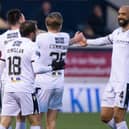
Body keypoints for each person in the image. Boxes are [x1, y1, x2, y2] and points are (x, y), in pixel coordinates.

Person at [78, 5, 129, 129]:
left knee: (118, 117)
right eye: (119, 14)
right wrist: (87, 42)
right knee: (105, 117)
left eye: (123, 14)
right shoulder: (117, 32)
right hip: (112, 81)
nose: (120, 17)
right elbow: (104, 40)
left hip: (125, 82)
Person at [34, 11, 75, 129]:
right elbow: (65, 40)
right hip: (59, 82)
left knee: (37, 119)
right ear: (61, 25)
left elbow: (36, 35)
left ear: (46, 24)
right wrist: (76, 39)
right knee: (51, 120)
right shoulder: (66, 36)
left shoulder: (41, 38)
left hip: (44, 82)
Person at [0, 20, 40, 129]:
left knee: (5, 121)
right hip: (25, 88)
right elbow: (37, 69)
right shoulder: (32, 46)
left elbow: (1, 64)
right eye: (36, 31)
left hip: (9, 87)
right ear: (32, 33)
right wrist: (51, 67)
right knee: (35, 120)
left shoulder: (9, 45)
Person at [0, 9, 26, 129]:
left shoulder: (1, 38)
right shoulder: (27, 36)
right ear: (21, 19)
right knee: (21, 114)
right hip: (23, 80)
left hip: (5, 79)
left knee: (6, 113)